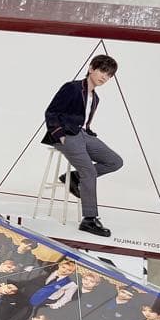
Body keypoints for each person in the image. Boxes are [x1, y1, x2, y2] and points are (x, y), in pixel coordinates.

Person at [41, 55, 123, 238]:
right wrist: (60, 136)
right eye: (102, 71)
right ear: (91, 68)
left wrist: (88, 132)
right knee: (89, 172)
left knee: (115, 161)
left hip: (83, 134)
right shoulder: (72, 88)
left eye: (109, 75)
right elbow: (51, 112)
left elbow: (83, 120)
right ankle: (89, 219)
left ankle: (74, 177)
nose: (105, 77)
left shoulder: (96, 98)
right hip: (67, 135)